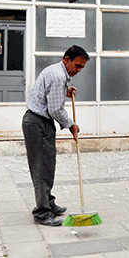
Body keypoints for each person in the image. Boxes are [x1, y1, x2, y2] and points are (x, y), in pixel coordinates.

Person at [22, 45, 89, 226]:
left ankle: (48, 202)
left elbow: (48, 93)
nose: (78, 70)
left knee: (47, 165)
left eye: (82, 67)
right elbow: (55, 109)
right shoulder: (59, 76)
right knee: (41, 168)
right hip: (37, 123)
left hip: (40, 122)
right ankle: (42, 212)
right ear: (66, 59)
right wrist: (71, 125)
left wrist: (65, 92)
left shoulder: (54, 70)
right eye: (77, 65)